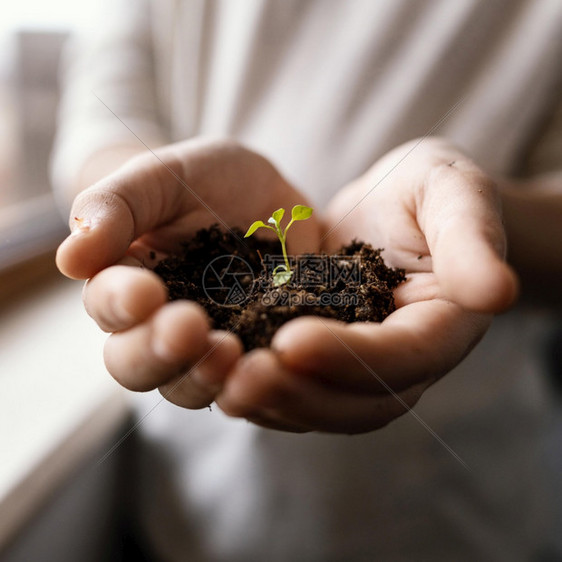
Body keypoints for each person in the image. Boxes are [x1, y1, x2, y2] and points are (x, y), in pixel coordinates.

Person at [52, 0, 562, 560]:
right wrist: (139, 198)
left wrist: (484, 221)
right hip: (190, 500)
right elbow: (103, 106)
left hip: (455, 515)